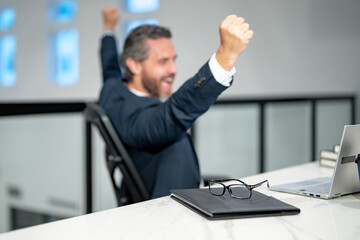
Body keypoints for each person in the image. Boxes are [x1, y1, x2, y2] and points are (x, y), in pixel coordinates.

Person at [99, 6, 253, 200]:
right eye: (163, 61)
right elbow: (172, 114)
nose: (174, 69)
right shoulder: (136, 119)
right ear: (134, 65)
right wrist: (223, 59)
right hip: (172, 212)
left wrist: (108, 29)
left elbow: (109, 65)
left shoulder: (112, 90)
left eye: (174, 60)